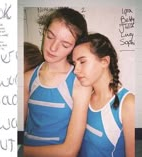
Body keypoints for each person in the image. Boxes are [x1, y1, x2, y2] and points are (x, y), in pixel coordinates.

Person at [24, 7, 92, 157]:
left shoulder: (78, 84)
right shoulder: (27, 78)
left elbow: (69, 151)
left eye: (65, 44)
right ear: (44, 31)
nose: (53, 47)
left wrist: (20, 151)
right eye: (50, 36)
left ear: (75, 47)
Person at [72, 33, 135, 157]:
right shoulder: (85, 97)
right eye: (74, 64)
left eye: (82, 62)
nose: (75, 70)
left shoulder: (128, 103)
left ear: (104, 61)